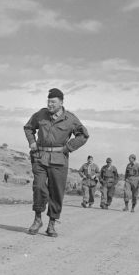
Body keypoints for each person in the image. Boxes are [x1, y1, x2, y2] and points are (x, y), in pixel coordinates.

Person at [23, 88, 89, 237]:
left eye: (53, 102)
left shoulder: (70, 119)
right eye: (48, 101)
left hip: (59, 160)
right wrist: (32, 141)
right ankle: (37, 219)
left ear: (61, 102)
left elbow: (83, 135)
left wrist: (69, 147)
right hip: (40, 157)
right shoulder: (40, 114)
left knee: (56, 192)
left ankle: (51, 224)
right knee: (38, 187)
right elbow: (28, 128)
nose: (50, 104)